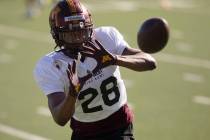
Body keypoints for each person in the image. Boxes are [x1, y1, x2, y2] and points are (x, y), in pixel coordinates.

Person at [33, 0, 157, 139]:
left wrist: (115, 59)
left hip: (120, 126)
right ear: (57, 35)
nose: (79, 38)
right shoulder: (51, 65)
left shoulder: (105, 38)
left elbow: (150, 63)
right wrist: (72, 94)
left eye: (81, 31)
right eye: (71, 34)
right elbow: (60, 119)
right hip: (85, 133)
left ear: (89, 27)